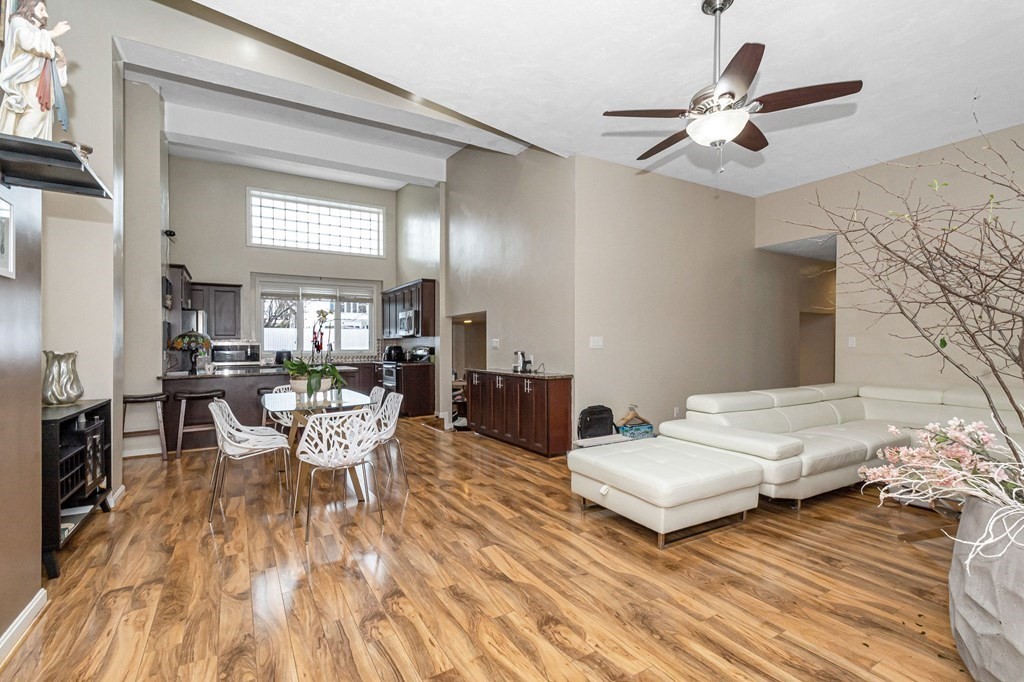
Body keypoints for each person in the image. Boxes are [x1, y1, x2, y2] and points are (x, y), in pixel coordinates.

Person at [0, 0, 70, 140]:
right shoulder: (18, 23)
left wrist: (61, 63)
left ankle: (29, 155)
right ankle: (21, 152)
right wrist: (53, 33)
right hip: (24, 86)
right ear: (30, 9)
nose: (46, 15)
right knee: (28, 121)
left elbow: (45, 65)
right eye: (42, 10)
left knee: (40, 116)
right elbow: (27, 41)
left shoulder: (41, 35)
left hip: (40, 89)